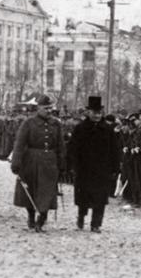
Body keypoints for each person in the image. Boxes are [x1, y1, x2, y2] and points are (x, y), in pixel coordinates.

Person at [10, 94, 66, 232]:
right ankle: (31, 216)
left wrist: (62, 163)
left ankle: (41, 219)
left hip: (50, 163)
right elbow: (19, 144)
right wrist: (16, 163)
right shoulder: (28, 123)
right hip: (31, 161)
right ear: (38, 108)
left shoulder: (56, 124)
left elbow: (60, 145)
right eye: (46, 108)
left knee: (47, 191)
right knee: (31, 190)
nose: (49, 111)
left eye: (50, 108)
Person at [67, 96, 119, 232]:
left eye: (99, 113)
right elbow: (73, 148)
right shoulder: (80, 128)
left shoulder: (108, 130)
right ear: (88, 112)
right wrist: (72, 165)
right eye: (94, 113)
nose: (97, 115)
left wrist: (115, 168)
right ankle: (81, 217)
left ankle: (96, 223)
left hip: (102, 170)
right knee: (83, 196)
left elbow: (115, 150)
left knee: (100, 198)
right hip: (84, 169)